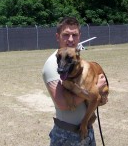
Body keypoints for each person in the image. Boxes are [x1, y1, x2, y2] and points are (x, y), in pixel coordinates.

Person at [42, 17, 108, 146]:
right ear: (58, 36)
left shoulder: (74, 60)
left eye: (74, 35)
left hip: (85, 129)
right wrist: (94, 91)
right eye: (66, 35)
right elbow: (63, 104)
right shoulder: (54, 64)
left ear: (79, 36)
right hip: (67, 135)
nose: (71, 39)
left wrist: (99, 95)